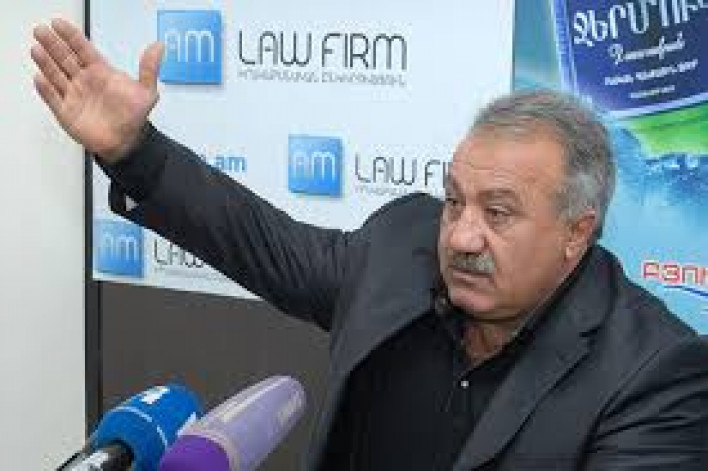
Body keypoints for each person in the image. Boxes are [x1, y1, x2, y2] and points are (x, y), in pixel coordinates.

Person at [32, 18, 708, 471]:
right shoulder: (402, 245)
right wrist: (135, 151)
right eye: (455, 200)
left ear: (576, 231)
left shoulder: (655, 374)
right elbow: (262, 242)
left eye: (499, 213)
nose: (461, 235)